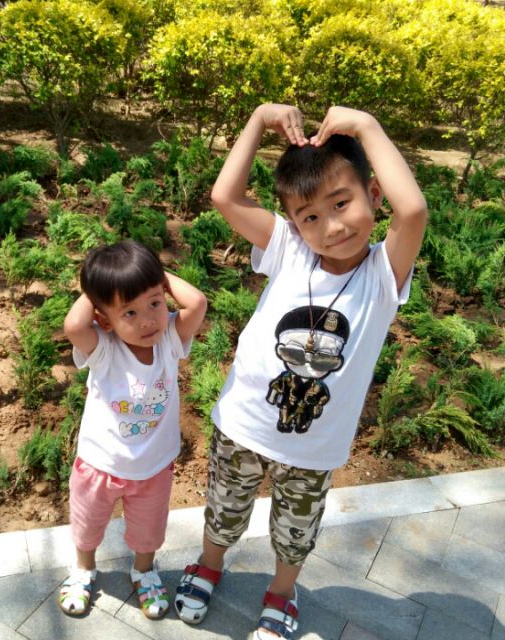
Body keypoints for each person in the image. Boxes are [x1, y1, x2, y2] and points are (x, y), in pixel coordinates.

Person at [174, 104, 427, 639]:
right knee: (224, 508)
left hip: (314, 448)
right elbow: (225, 197)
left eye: (342, 203)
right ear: (293, 224)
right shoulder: (288, 249)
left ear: (373, 194)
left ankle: (281, 593)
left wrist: (366, 126)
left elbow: (414, 211)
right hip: (243, 424)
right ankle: (209, 566)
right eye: (310, 216)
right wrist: (258, 120)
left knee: (296, 531)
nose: (331, 226)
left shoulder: (383, 274)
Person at [59, 239, 207, 620]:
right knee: (87, 524)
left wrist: (155, 278)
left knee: (149, 530)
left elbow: (197, 303)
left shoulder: (170, 339)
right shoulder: (103, 348)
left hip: (153, 467)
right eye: (130, 312)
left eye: (155, 304)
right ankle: (84, 569)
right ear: (105, 320)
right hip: (99, 464)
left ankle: (144, 571)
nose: (148, 321)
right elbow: (73, 325)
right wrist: (96, 289)